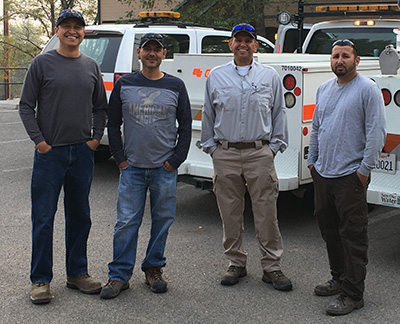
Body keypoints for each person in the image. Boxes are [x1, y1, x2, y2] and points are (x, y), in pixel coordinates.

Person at [19, 9, 107, 304]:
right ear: (57, 31)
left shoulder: (91, 66)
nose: (72, 31)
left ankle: (77, 273)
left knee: (80, 215)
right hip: (50, 154)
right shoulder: (42, 64)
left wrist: (94, 140)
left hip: (82, 153)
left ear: (83, 32)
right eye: (66, 26)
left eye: (77, 27)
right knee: (43, 217)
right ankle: (40, 280)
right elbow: (25, 106)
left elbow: (100, 108)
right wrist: (41, 142)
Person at [201, 23, 292, 291]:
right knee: (230, 212)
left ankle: (272, 267)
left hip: (259, 153)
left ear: (255, 45)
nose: (243, 44)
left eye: (248, 40)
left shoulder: (269, 76)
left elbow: (278, 114)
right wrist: (212, 149)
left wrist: (272, 148)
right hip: (225, 153)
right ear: (230, 44)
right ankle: (236, 263)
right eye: (237, 40)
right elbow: (208, 113)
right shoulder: (216, 76)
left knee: (266, 213)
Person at [100, 33, 192, 299]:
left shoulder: (176, 86)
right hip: (132, 169)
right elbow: (113, 123)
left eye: (157, 49)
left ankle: (153, 269)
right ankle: (119, 275)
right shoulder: (125, 84)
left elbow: (185, 126)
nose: (152, 53)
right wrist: (119, 157)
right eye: (147, 49)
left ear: (164, 54)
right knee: (127, 222)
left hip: (164, 169)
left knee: (162, 221)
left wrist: (175, 160)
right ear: (139, 53)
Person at [308, 39, 386, 316]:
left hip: (349, 177)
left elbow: (376, 133)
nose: (339, 61)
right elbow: (316, 128)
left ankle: (353, 294)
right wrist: (312, 162)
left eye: (345, 56)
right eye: (335, 56)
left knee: (352, 235)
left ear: (357, 60)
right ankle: (338, 279)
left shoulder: (367, 89)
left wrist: (364, 171)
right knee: (329, 232)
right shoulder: (324, 89)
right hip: (323, 174)